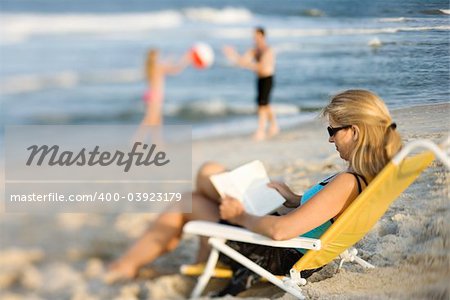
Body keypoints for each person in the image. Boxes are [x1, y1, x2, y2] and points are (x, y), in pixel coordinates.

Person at [106, 90, 402, 296]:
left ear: (355, 131)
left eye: (333, 131)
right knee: (208, 174)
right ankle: (190, 258)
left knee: (190, 198)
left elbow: (280, 231)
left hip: (272, 252)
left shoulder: (347, 182)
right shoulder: (360, 179)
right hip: (289, 243)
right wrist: (294, 198)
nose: (330, 140)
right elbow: (326, 215)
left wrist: (240, 215)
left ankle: (126, 267)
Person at [223, 27, 279, 141]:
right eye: (253, 36)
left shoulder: (268, 50)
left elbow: (261, 67)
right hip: (259, 79)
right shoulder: (254, 50)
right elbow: (242, 61)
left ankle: (261, 131)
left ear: (263, 36)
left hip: (268, 78)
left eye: (256, 36)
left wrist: (248, 64)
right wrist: (232, 54)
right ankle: (274, 126)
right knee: (264, 104)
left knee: (262, 106)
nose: (254, 38)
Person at [141, 49, 189, 126]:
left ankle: (157, 138)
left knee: (157, 119)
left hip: (150, 94)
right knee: (150, 119)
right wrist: (186, 60)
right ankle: (138, 137)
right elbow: (176, 70)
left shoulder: (150, 67)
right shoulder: (159, 67)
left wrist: (169, 60)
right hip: (155, 95)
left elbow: (165, 65)